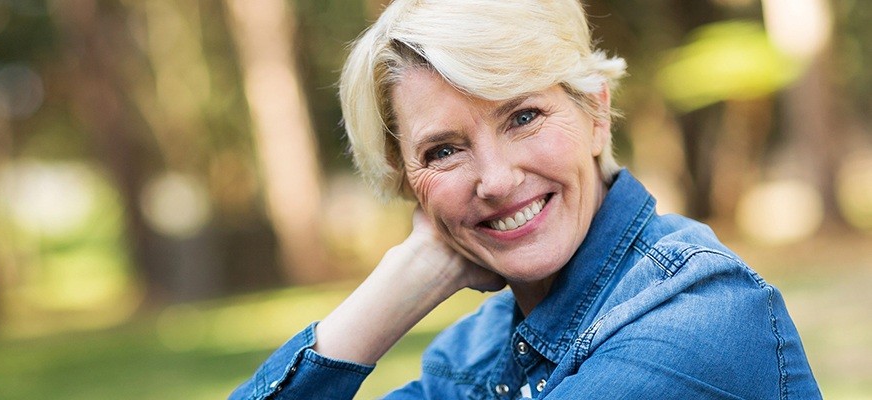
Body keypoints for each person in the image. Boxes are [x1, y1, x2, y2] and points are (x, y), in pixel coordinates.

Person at [230, 0, 822, 398]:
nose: (496, 180)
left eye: (523, 116)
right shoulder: (470, 353)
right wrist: (399, 283)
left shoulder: (700, 318)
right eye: (442, 152)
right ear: (405, 178)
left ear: (596, 111)